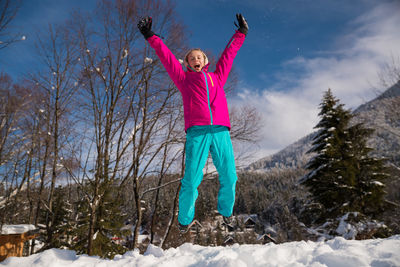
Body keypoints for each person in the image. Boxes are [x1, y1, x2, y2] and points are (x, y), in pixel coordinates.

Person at [138, 14, 248, 233]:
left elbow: (229, 55)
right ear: (187, 64)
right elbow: (166, 57)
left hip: (220, 131)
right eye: (191, 58)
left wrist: (241, 33)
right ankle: (184, 220)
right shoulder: (184, 79)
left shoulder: (217, 77)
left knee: (230, 176)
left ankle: (226, 214)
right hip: (197, 132)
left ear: (205, 61)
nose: (196, 59)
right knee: (191, 179)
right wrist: (150, 35)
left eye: (199, 56)